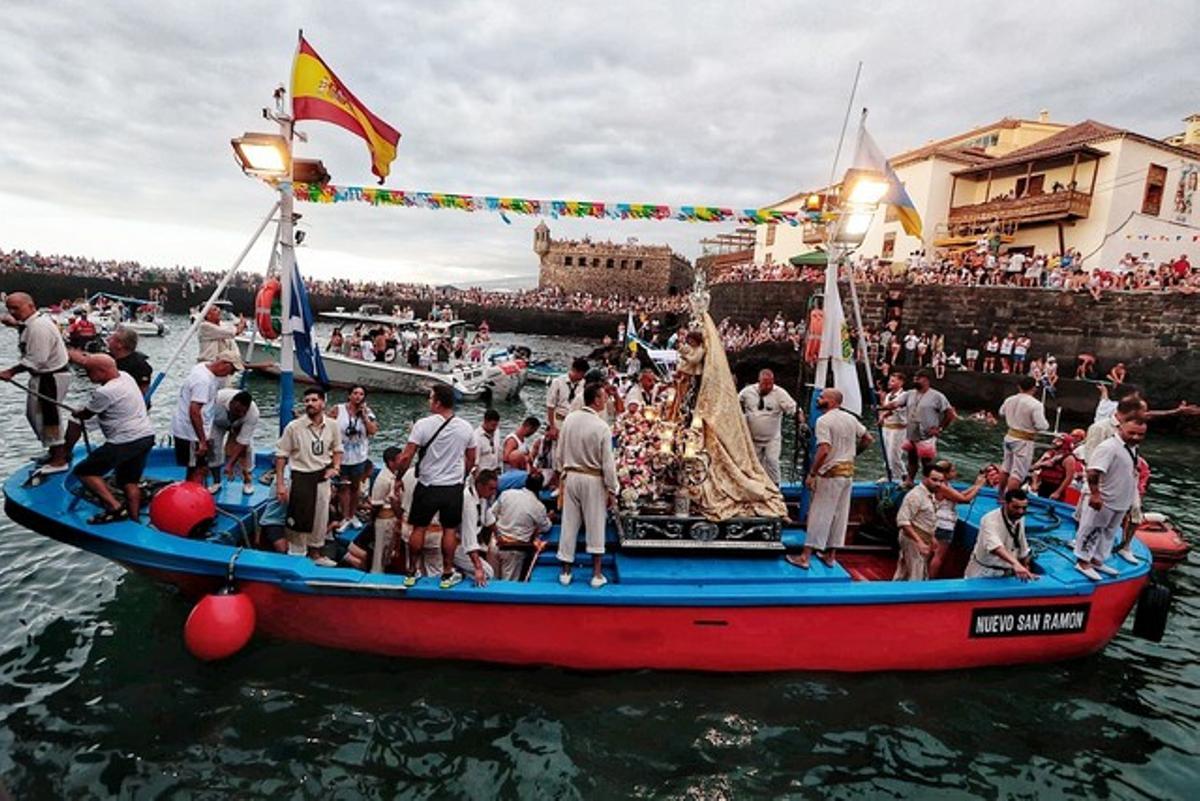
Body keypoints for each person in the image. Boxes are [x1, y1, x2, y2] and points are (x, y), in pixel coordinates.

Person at [391, 383, 477, 588]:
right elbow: (471, 458)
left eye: (431, 398)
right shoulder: (466, 427)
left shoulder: (422, 425)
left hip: (428, 484)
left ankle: (411, 571)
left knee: (418, 527)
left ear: (438, 402)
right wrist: (461, 476)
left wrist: (398, 477)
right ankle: (447, 573)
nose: (429, 401)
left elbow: (406, 456)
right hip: (452, 486)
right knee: (449, 529)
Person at [63, 354, 155, 523]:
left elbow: (86, 414)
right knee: (129, 482)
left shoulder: (105, 392)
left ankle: (115, 507)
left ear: (102, 371)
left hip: (125, 441)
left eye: (89, 371)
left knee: (84, 471)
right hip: (145, 436)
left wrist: (78, 412)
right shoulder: (126, 377)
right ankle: (134, 520)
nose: (88, 376)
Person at [0, 292, 72, 475]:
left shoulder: (39, 327)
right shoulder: (33, 322)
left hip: (50, 377)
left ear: (31, 306)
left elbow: (37, 359)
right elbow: (26, 329)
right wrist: (15, 325)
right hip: (44, 376)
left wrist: (10, 372)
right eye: (9, 308)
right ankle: (54, 452)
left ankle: (59, 459)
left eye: (16, 308)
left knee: (47, 418)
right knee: (34, 416)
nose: (12, 312)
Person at [798, 389, 870, 569]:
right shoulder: (850, 418)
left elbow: (824, 449)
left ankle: (805, 557)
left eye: (822, 397)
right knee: (840, 515)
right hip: (847, 473)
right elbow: (868, 438)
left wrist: (812, 473)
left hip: (830, 473)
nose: (819, 400)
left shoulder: (823, 420)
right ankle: (830, 555)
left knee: (819, 513)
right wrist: (852, 455)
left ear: (831, 401)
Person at [557, 382, 618, 588]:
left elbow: (560, 451)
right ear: (596, 400)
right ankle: (596, 574)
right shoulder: (601, 427)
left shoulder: (569, 420)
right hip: (593, 479)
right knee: (595, 524)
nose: (606, 400)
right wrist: (613, 488)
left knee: (569, 523)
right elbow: (608, 463)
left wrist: (563, 473)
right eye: (604, 396)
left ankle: (565, 571)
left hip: (572, 475)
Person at [274, 386, 343, 567]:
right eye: (307, 401)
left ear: (323, 402)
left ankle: (316, 554)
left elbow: (337, 449)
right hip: (301, 477)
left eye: (314, 400)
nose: (310, 404)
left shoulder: (333, 425)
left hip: (321, 477)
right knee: (299, 519)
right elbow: (281, 455)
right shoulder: (294, 427)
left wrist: (335, 468)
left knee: (320, 518)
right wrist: (280, 484)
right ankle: (297, 555)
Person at [1074, 417, 1146, 580]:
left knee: (1109, 532)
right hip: (1105, 498)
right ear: (1121, 428)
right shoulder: (1109, 447)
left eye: (1140, 434)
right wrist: (1095, 494)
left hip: (1120, 500)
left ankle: (1097, 559)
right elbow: (1093, 472)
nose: (1136, 437)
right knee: (1091, 529)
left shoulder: (1132, 448)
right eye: (1132, 433)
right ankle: (1083, 561)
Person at [169, 349, 242, 484]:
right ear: (224, 364)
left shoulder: (203, 368)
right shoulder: (203, 381)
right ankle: (193, 497)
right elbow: (194, 410)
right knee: (197, 469)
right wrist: (202, 440)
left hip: (199, 430)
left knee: (200, 467)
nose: (231, 375)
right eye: (231, 371)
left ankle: (197, 493)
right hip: (191, 433)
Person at [329, 385, 378, 532]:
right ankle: (345, 516)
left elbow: (373, 431)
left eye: (361, 394)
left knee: (356, 486)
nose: (358, 396)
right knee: (343, 486)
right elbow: (326, 425)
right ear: (349, 395)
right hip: (341, 456)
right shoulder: (338, 409)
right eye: (355, 393)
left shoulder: (368, 413)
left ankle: (352, 514)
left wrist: (364, 417)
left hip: (359, 457)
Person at [738, 369, 799, 485]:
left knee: (772, 461)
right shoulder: (747, 392)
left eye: (770, 383)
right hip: (752, 437)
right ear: (759, 381)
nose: (767, 386)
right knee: (753, 464)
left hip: (772, 438)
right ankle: (755, 486)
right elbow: (734, 403)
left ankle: (775, 487)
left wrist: (801, 421)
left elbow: (793, 409)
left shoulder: (780, 393)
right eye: (764, 383)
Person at [929, 459, 986, 578]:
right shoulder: (943, 487)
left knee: (933, 553)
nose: (955, 473)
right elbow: (964, 499)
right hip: (944, 524)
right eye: (953, 471)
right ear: (946, 473)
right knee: (938, 556)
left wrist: (975, 485)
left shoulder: (941, 486)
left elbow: (960, 495)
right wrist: (979, 486)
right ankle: (930, 579)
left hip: (936, 521)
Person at [898, 368, 956, 485]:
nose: (915, 380)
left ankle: (929, 482)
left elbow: (950, 414)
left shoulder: (937, 396)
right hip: (912, 433)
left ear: (926, 380)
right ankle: (910, 480)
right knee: (912, 459)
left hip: (927, 435)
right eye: (914, 378)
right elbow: (896, 404)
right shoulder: (909, 394)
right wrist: (882, 408)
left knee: (927, 462)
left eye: (918, 379)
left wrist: (940, 428)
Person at [965, 489, 1036, 580]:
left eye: (1024, 508)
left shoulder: (1020, 518)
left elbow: (1022, 544)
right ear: (1005, 504)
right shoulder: (989, 520)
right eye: (1016, 507)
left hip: (1008, 572)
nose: (1020, 512)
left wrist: (1025, 566)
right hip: (984, 572)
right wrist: (1016, 564)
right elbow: (995, 547)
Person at [493, 472, 553, 580]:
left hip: (495, 545)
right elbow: (546, 527)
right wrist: (548, 518)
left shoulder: (507, 494)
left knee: (490, 583)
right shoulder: (538, 507)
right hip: (512, 549)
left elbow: (491, 515)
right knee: (506, 590)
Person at [997, 375, 1049, 492]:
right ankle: (1010, 498)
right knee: (1018, 472)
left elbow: (1001, 413)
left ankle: (1000, 495)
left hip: (1010, 436)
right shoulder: (1036, 404)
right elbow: (1042, 426)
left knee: (1006, 468)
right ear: (1034, 388)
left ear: (1019, 387)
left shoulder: (1009, 399)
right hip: (1024, 440)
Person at [894, 464, 946, 581]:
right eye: (934, 480)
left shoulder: (929, 494)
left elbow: (926, 518)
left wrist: (931, 538)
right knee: (915, 574)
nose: (938, 484)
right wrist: (919, 542)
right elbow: (903, 521)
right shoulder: (915, 496)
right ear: (925, 478)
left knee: (907, 571)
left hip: (923, 537)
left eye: (941, 481)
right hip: (912, 539)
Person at [452, 469, 499, 587]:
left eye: (495, 489)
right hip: (458, 546)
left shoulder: (482, 498)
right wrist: (478, 567)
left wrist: (499, 536)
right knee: (487, 572)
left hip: (467, 544)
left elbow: (489, 519)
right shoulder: (468, 501)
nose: (493, 492)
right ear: (480, 485)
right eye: (491, 488)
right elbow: (469, 538)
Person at [208, 388, 260, 495]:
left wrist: (229, 464)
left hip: (240, 424)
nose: (240, 413)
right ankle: (216, 482)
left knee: (246, 450)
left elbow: (242, 442)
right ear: (231, 403)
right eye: (237, 410)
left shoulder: (253, 414)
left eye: (243, 412)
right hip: (219, 420)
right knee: (213, 446)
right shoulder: (218, 397)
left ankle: (247, 481)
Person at [367, 445, 405, 574]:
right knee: (380, 552)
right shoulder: (383, 480)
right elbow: (376, 504)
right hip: (383, 520)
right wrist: (372, 522)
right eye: (399, 459)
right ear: (391, 462)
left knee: (388, 551)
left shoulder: (393, 476)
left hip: (392, 519)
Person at [545, 358, 589, 463]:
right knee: (556, 452)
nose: (582, 376)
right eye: (581, 373)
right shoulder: (558, 382)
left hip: (574, 421)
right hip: (559, 419)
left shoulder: (584, 384)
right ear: (575, 370)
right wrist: (552, 426)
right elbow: (550, 406)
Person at [877, 371, 909, 482]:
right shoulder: (889, 395)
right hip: (887, 427)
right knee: (886, 454)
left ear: (901, 382)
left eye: (893, 381)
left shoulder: (904, 395)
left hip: (898, 429)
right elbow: (886, 408)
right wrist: (881, 418)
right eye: (890, 380)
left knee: (894, 454)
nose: (890, 383)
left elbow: (893, 408)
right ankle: (889, 475)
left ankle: (904, 476)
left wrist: (882, 414)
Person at [1030, 434, 1078, 500]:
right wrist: (1034, 483)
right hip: (1042, 485)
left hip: (1056, 487)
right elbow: (1033, 468)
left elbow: (1069, 477)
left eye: (1058, 440)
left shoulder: (1069, 458)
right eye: (1055, 439)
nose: (1054, 441)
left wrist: (1057, 492)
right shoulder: (1049, 453)